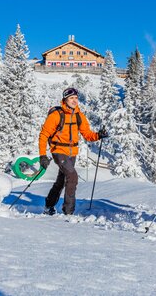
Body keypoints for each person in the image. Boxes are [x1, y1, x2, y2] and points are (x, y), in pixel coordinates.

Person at [38, 87, 108, 215]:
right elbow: (43, 135)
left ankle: (49, 205)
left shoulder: (79, 116)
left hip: (72, 152)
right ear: (65, 100)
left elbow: (87, 134)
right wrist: (42, 155)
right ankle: (69, 212)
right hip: (58, 150)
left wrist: (98, 135)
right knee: (73, 177)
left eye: (76, 98)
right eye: (71, 98)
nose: (74, 100)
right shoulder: (56, 116)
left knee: (61, 180)